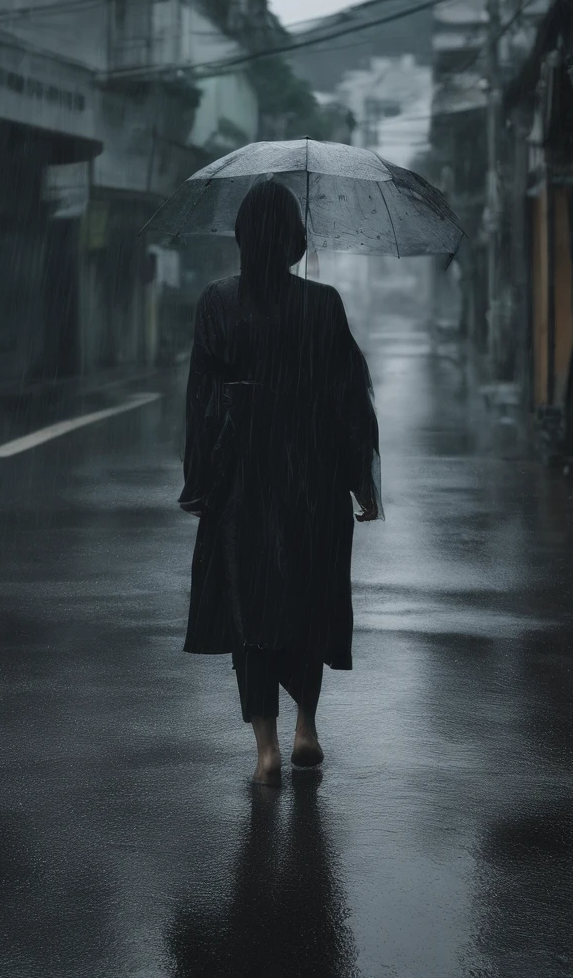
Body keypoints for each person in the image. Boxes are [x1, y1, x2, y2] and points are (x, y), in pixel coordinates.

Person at [179, 178, 383, 785]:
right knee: (309, 603)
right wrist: (361, 483)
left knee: (253, 614)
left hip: (243, 484)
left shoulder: (218, 302)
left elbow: (202, 405)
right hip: (311, 484)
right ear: (296, 240)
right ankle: (306, 728)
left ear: (242, 238)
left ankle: (265, 746)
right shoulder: (323, 305)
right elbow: (350, 404)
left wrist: (200, 481)